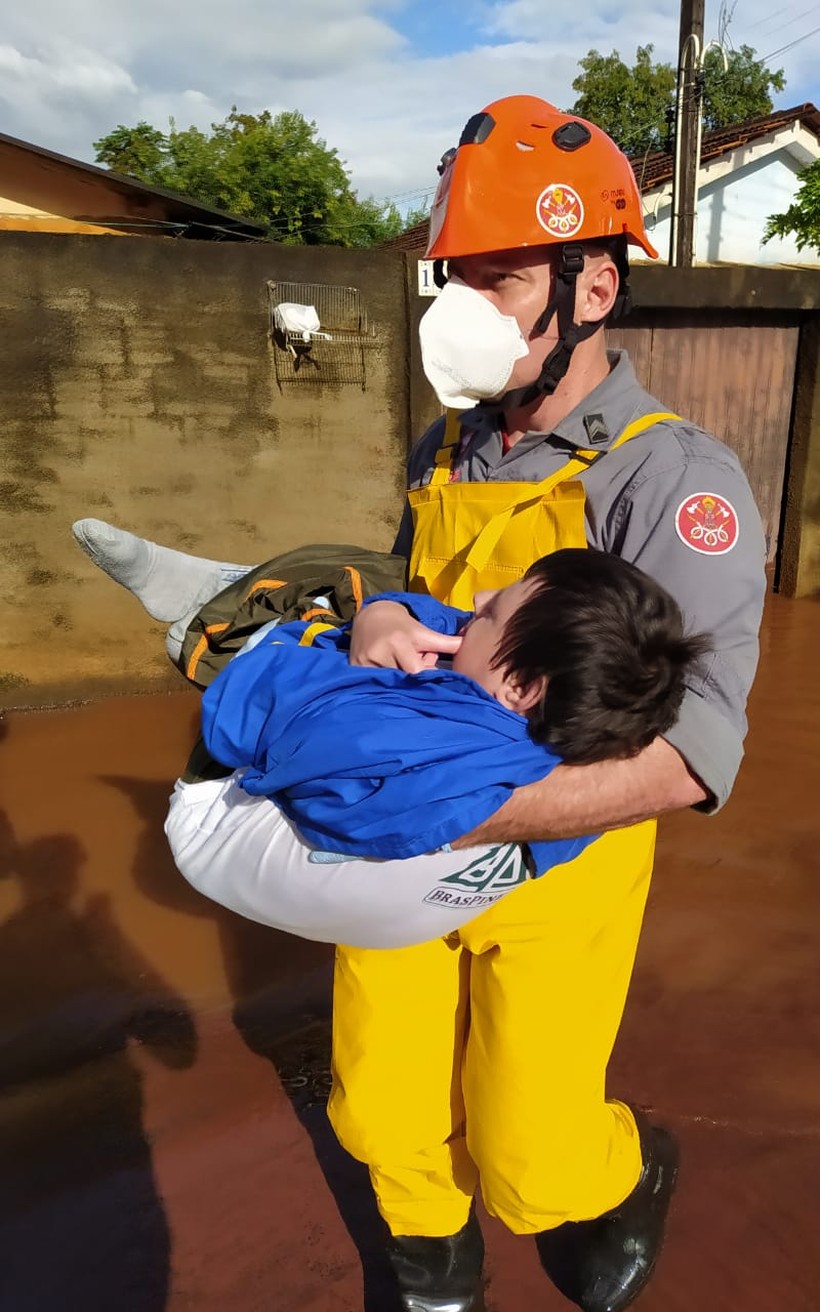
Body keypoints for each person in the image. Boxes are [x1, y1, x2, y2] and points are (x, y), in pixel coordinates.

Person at [72, 95, 766, 1312]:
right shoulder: (445, 450)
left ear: (589, 291)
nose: (458, 314)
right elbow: (412, 604)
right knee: (379, 1091)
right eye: (455, 281)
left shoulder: (673, 479)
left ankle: (612, 1170)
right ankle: (429, 1261)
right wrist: (376, 615)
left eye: (493, 283)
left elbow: (694, 755)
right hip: (406, 820)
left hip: (559, 857)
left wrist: (467, 822)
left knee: (528, 1141)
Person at [164, 546, 707, 949]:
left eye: (492, 613)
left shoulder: (391, 740)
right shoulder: (596, 754)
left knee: (349, 587)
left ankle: (216, 610)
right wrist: (395, 618)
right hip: (399, 924)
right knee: (415, 614)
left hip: (214, 834)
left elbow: (235, 718)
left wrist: (364, 625)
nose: (480, 597)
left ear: (519, 687)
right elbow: (459, 633)